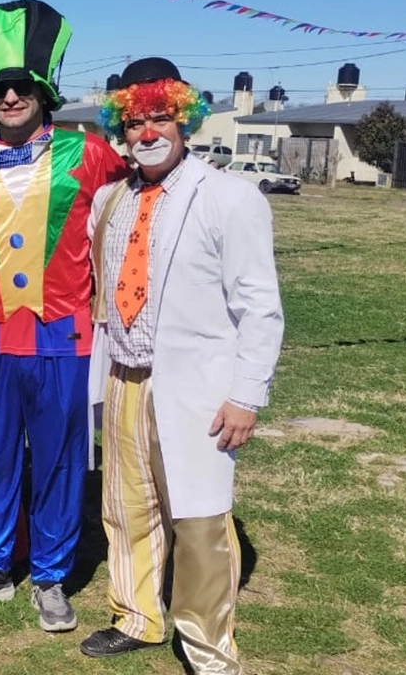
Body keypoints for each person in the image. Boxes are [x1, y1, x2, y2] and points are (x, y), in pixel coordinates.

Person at [79, 57, 283, 672]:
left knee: (198, 520)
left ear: (184, 120)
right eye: (135, 121)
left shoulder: (231, 198)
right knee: (126, 506)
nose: (147, 133)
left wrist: (246, 394)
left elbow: (260, 307)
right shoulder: (109, 201)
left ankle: (207, 646)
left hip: (194, 387)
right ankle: (137, 614)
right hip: (121, 377)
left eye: (160, 118)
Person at [0, 0, 129, 632]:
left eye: (22, 86)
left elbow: (141, 204)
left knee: (59, 459)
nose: (11, 96)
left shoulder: (91, 153)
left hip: (63, 337)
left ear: (43, 92)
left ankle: (50, 576)